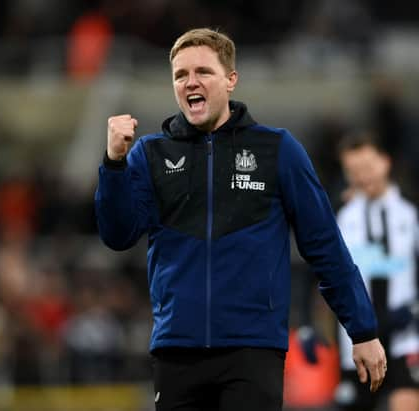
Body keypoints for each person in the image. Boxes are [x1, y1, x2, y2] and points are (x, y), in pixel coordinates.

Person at [94, 27, 386, 411]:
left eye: (203, 72)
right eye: (180, 75)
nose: (190, 82)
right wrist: (113, 164)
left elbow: (325, 246)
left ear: (231, 80)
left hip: (253, 349)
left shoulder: (277, 150)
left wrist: (362, 330)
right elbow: (117, 234)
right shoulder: (150, 154)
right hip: (176, 350)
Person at [334, 131, 419, 411]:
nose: (363, 176)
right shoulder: (341, 217)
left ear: (385, 162)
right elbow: (325, 277)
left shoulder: (410, 212)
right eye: (353, 171)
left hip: (406, 337)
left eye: (368, 167)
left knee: (406, 401)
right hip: (358, 342)